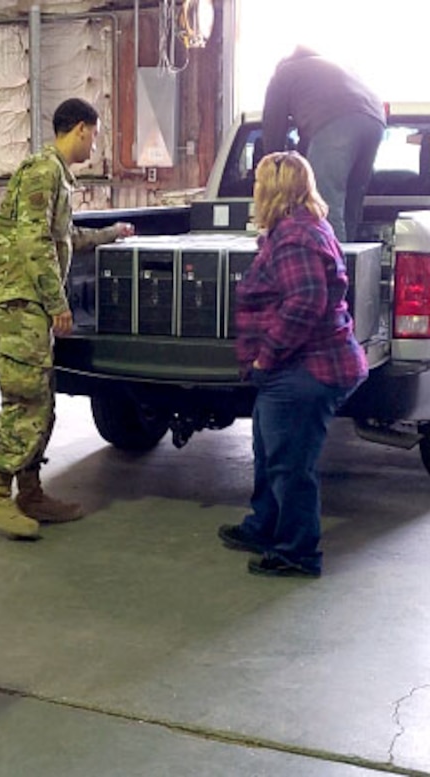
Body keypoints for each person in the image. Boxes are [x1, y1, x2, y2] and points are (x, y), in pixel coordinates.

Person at [0, 97, 133, 539]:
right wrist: (57, 303)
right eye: (95, 135)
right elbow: (33, 244)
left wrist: (111, 235)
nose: (95, 145)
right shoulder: (43, 171)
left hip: (28, 303)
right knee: (26, 399)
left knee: (42, 398)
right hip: (20, 303)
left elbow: (62, 238)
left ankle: (29, 491)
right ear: (81, 129)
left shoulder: (55, 177)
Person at [218, 151, 368, 578]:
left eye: (258, 182)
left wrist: (268, 353)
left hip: (306, 368)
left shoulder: (296, 237)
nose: (253, 189)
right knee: (269, 451)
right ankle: (263, 526)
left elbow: (306, 300)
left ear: (273, 190)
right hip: (301, 365)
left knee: (289, 464)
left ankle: (297, 553)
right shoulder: (299, 227)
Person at [260, 46, 385, 242]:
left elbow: (273, 125)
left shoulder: (284, 74)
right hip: (375, 121)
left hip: (338, 122)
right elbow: (314, 141)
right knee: (350, 202)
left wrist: (274, 170)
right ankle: (350, 262)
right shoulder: (332, 70)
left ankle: (334, 269)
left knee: (324, 203)